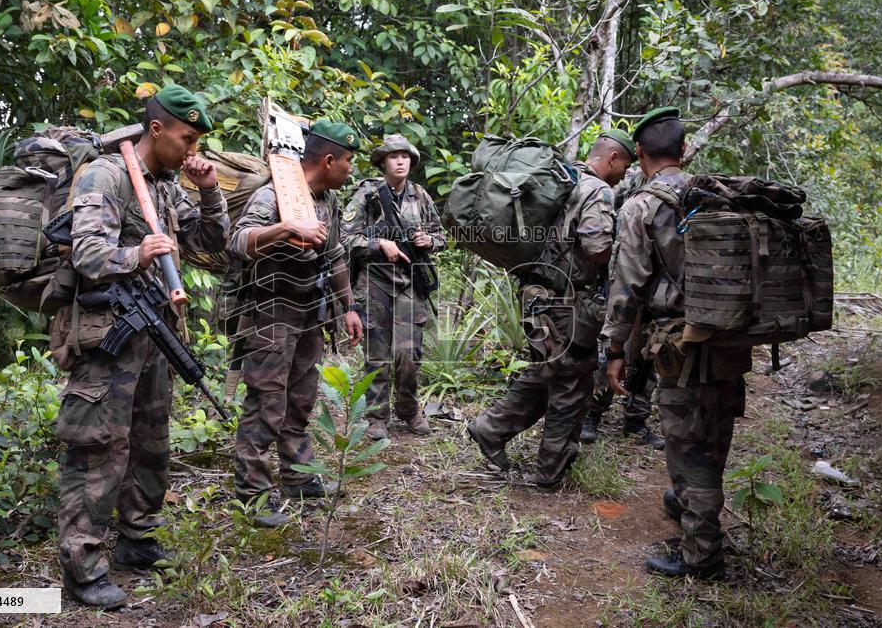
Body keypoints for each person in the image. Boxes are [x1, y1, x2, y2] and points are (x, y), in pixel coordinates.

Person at [51, 85, 229, 608]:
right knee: (99, 447)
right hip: (107, 336)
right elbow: (86, 253)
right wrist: (136, 254)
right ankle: (82, 567)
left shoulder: (168, 187)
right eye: (187, 137)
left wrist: (211, 191)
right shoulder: (106, 175)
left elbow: (209, 244)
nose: (192, 149)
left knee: (151, 441)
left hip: (153, 331)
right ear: (157, 129)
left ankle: (137, 539)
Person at [602, 107, 752, 579]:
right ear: (684, 150)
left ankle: (701, 556)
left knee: (688, 446)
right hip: (730, 335)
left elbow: (626, 288)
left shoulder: (640, 206)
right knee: (715, 434)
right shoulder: (715, 196)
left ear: (640, 153)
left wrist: (613, 351)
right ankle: (691, 506)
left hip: (679, 344)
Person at [466, 130, 633, 492]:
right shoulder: (598, 191)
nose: (623, 175)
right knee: (573, 381)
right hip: (567, 301)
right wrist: (622, 250)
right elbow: (596, 246)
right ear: (613, 158)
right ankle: (550, 472)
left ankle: (489, 429)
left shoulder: (559, 179)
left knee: (553, 370)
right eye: (625, 166)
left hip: (536, 294)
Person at [229, 119, 363, 527]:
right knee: (267, 402)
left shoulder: (328, 202)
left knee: (301, 399)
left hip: (310, 312)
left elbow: (336, 254)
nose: (350, 170)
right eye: (348, 161)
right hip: (271, 314)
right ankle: (252, 494)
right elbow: (237, 240)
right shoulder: (275, 195)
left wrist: (349, 307)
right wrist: (287, 227)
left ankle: (297, 475)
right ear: (328, 160)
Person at [340, 134, 446, 440]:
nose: (400, 161)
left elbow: (441, 235)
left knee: (408, 353)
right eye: (393, 156)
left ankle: (409, 411)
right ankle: (376, 418)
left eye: (405, 156)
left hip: (410, 282)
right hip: (374, 281)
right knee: (377, 353)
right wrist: (379, 243)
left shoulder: (420, 196)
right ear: (382, 162)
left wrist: (430, 241)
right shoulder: (368, 195)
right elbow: (345, 237)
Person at [581, 167, 665, 450]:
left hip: (656, 287)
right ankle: (592, 413)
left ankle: (637, 419)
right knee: (609, 348)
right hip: (621, 278)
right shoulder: (626, 185)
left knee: (646, 354)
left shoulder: (671, 187)